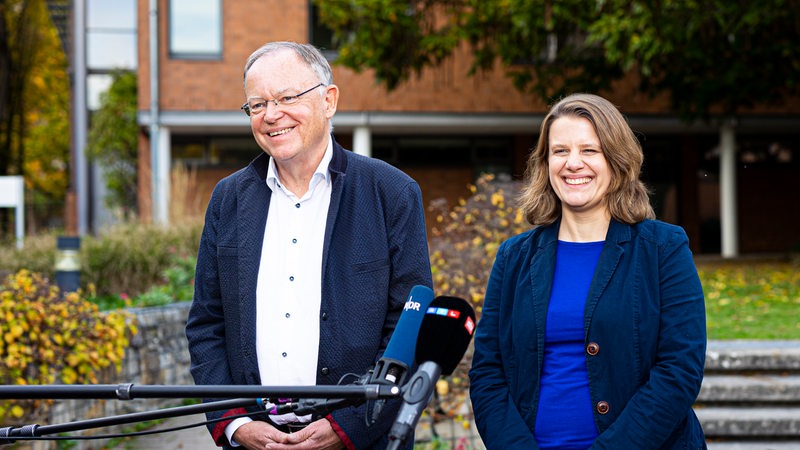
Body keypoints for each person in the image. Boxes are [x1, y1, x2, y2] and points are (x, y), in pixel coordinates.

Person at [185, 41, 432, 450]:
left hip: (362, 440)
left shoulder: (391, 192)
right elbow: (206, 325)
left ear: (329, 100)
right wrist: (236, 423)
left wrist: (347, 427)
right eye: (258, 104)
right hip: (255, 439)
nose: (271, 115)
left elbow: (409, 326)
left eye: (286, 97)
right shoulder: (228, 200)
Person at [469, 93, 707, 449]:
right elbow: (487, 373)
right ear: (546, 162)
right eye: (560, 151)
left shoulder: (663, 248)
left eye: (589, 150)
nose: (573, 163)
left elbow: (679, 369)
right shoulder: (514, 257)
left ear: (617, 160)